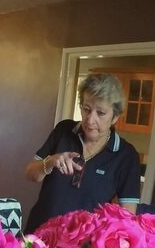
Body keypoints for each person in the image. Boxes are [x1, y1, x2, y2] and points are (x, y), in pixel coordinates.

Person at [23, 73, 141, 234]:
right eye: (86, 109)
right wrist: (50, 162)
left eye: (100, 113)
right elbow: (30, 174)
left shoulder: (126, 156)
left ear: (115, 117)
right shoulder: (63, 130)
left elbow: (127, 217)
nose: (90, 120)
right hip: (38, 234)